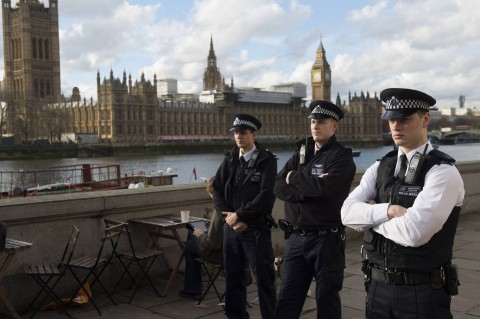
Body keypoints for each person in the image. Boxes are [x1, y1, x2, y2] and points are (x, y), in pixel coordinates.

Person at [341, 88, 465, 319]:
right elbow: (346, 214)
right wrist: (389, 211)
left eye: (405, 119)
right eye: (391, 119)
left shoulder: (442, 171)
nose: (396, 126)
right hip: (376, 288)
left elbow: (414, 233)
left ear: (425, 119)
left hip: (422, 293)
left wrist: (370, 218)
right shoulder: (379, 167)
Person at [274, 100, 356, 319]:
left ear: (334, 126)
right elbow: (278, 185)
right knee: (286, 299)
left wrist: (294, 177)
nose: (315, 126)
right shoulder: (302, 152)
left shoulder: (342, 157)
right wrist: (304, 188)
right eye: (312, 121)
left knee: (326, 300)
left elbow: (324, 189)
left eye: (321, 122)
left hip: (325, 241)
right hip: (296, 239)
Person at [213, 114, 277, 319]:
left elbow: (266, 198)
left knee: (264, 281)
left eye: (243, 133)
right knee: (233, 279)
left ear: (253, 134)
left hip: (255, 230)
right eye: (236, 133)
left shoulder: (266, 160)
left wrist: (239, 216)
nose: (239, 136)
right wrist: (229, 219)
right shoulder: (231, 157)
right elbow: (217, 190)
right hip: (231, 230)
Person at [179, 176, 225, 299]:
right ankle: (192, 289)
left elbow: (212, 244)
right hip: (231, 253)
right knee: (192, 233)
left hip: (218, 255)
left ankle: (193, 289)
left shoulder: (219, 211)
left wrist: (200, 235)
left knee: (190, 244)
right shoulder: (232, 206)